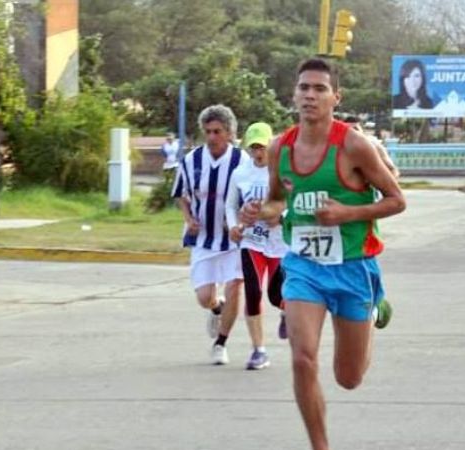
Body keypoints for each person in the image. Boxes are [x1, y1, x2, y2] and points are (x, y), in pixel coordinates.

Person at [240, 58, 405, 450]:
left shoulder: (353, 145)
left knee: (349, 378)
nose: (310, 95)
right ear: (294, 94)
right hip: (303, 268)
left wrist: (348, 213)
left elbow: (397, 200)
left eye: (319, 89)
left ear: (335, 97)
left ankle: (374, 305)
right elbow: (277, 203)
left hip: (352, 266)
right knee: (302, 358)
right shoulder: (281, 148)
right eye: (304, 88)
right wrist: (257, 212)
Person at [171, 104, 251, 365]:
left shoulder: (242, 161)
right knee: (204, 296)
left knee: (236, 284)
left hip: (234, 239)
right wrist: (188, 217)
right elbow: (180, 195)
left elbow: (252, 196)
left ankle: (221, 343)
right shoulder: (191, 160)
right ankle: (216, 308)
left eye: (217, 131)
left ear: (229, 133)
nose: (212, 137)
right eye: (208, 131)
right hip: (204, 238)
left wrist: (240, 220)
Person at [225, 122, 288, 371]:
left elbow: (294, 200)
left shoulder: (282, 172)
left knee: (277, 295)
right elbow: (230, 205)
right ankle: (258, 350)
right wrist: (233, 226)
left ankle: (285, 311)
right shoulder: (240, 174)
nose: (258, 153)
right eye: (253, 148)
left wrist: (281, 217)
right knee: (253, 291)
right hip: (252, 240)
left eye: (262, 146)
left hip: (280, 243)